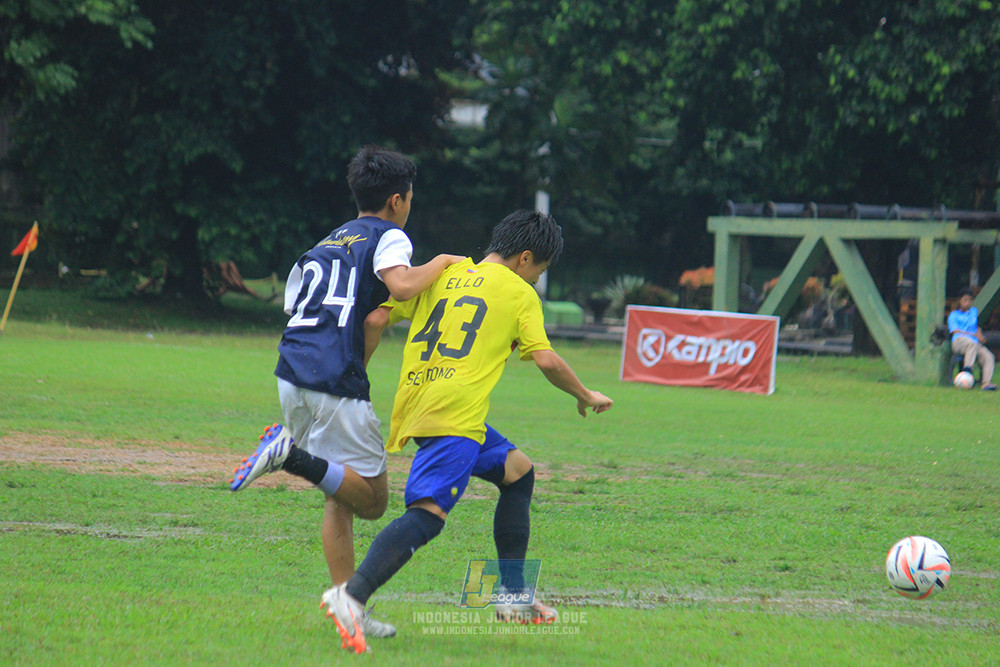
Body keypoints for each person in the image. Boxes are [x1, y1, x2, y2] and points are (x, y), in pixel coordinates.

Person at [320, 209, 614, 654]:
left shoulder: (444, 274)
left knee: (518, 472)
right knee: (427, 515)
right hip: (454, 413)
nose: (535, 280)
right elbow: (546, 359)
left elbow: (375, 320)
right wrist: (585, 394)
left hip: (420, 402)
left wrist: (355, 374)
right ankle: (352, 595)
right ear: (525, 258)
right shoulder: (519, 292)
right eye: (538, 272)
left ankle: (511, 595)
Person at [227, 146, 463, 637]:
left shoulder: (328, 241)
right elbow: (401, 288)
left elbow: (321, 312)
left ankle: (348, 603)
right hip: (332, 379)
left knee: (340, 492)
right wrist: (442, 261)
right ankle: (289, 456)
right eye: (410, 198)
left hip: (292, 372)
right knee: (373, 502)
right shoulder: (389, 235)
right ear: (397, 200)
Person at [947, 287, 996, 391]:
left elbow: (976, 327)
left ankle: (986, 383)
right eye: (965, 300)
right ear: (960, 300)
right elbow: (955, 331)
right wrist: (972, 335)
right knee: (971, 344)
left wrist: (980, 335)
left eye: (970, 300)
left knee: (988, 356)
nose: (968, 303)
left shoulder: (973, 312)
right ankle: (967, 371)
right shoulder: (954, 315)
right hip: (959, 341)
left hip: (974, 343)